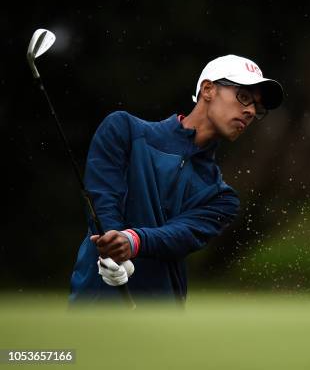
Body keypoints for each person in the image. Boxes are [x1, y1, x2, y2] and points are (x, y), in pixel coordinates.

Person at [69, 55, 283, 304]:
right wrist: (114, 240)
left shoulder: (222, 198)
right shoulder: (123, 131)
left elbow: (178, 236)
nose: (250, 111)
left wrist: (133, 241)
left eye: (257, 108)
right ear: (208, 89)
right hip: (95, 301)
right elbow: (103, 201)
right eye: (244, 97)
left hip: (161, 317)